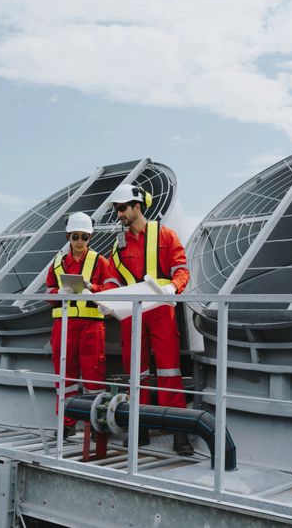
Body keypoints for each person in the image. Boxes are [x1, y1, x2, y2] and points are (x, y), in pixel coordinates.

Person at [104, 184, 194, 455]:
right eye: (116, 210)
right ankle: (139, 426)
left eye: (122, 209)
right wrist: (106, 301)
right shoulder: (117, 245)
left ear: (137, 207)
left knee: (169, 369)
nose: (118, 214)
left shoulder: (166, 235)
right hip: (130, 313)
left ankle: (179, 432)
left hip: (160, 308)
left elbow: (181, 269)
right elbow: (111, 279)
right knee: (136, 371)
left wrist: (172, 287)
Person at [46, 212, 116, 439]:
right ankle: (66, 422)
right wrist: (59, 293)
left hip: (91, 328)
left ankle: (95, 423)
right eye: (75, 236)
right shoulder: (57, 264)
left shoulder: (100, 261)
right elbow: (47, 293)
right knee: (64, 377)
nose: (79, 241)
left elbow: (112, 290)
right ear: (68, 236)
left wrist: (92, 289)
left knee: (93, 377)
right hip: (63, 326)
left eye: (84, 237)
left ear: (90, 238)